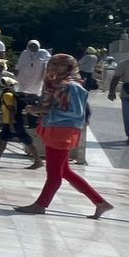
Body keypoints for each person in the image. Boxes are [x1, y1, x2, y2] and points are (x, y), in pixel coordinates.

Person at [16, 54, 113, 217]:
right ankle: (100, 202)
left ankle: (41, 205)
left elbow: (75, 113)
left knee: (54, 173)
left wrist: (41, 110)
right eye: (52, 64)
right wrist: (40, 110)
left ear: (68, 68)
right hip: (56, 129)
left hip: (62, 131)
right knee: (64, 171)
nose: (53, 68)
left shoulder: (71, 86)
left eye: (58, 65)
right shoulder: (59, 84)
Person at [0, 72, 40, 169]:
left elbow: (11, 109)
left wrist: (12, 123)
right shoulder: (8, 94)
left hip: (14, 122)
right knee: (3, 139)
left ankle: (38, 161)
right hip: (9, 122)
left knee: (26, 140)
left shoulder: (7, 95)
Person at [110, 61, 129, 148]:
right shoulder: (124, 64)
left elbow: (116, 78)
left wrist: (111, 92)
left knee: (127, 116)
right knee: (127, 116)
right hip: (127, 94)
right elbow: (115, 78)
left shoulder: (124, 64)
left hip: (127, 93)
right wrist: (111, 92)